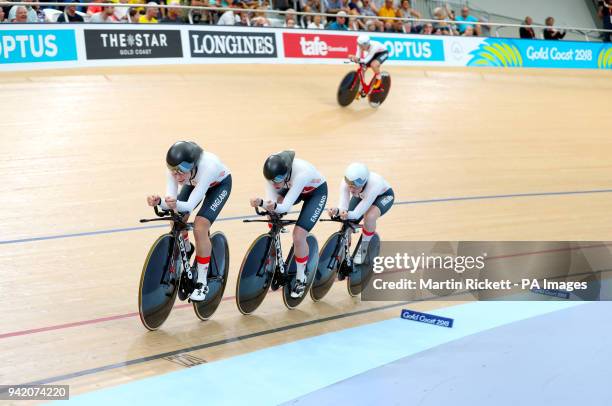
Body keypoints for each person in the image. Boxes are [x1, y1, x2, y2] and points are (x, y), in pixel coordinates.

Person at [147, 141, 232, 302]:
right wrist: (159, 202)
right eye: (174, 173)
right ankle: (186, 247)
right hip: (194, 183)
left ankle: (202, 282)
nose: (177, 177)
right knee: (176, 219)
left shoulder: (209, 167)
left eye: (181, 172)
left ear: (192, 166)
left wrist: (171, 204)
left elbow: (189, 205)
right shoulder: (174, 171)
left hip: (219, 185)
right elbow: (172, 202)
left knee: (200, 226)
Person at [249, 151, 327, 298]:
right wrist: (266, 205)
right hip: (292, 188)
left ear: (287, 172)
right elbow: (272, 204)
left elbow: (285, 207)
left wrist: (261, 202)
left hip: (315, 193)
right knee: (271, 215)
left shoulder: (301, 173)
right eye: (271, 180)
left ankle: (301, 277)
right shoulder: (274, 178)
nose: (275, 183)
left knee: (298, 236)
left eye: (278, 178)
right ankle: (273, 258)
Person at [327, 163, 394, 264]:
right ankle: (344, 250)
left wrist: (344, 213)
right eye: (349, 186)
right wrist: (337, 210)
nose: (351, 190)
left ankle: (364, 247)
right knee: (345, 223)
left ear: (364, 183)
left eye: (354, 187)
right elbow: (343, 208)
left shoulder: (375, 183)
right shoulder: (346, 182)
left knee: (369, 217)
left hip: (383, 196)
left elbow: (357, 214)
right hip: (362, 195)